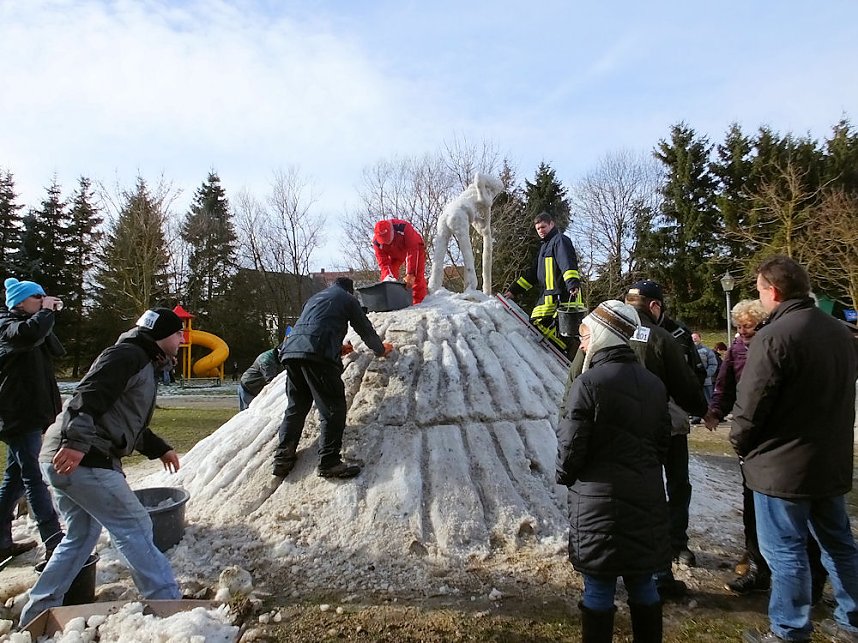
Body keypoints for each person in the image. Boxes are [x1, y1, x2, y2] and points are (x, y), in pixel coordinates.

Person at [19, 308, 186, 625]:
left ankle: (38, 611)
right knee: (134, 525)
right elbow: (88, 395)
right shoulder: (128, 355)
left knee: (81, 535)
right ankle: (169, 605)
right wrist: (76, 443)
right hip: (82, 456)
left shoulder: (140, 360)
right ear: (161, 334)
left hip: (64, 454)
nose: (182, 338)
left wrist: (160, 448)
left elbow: (123, 421)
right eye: (178, 332)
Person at [732, 256, 858, 643]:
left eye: (758, 290)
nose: (759, 297)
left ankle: (788, 629)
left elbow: (752, 404)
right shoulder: (840, 333)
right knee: (839, 544)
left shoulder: (775, 336)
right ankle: (852, 619)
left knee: (785, 552)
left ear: (773, 291)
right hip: (830, 460)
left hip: (781, 468)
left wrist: (740, 440)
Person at [556, 300, 671, 642]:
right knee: (643, 582)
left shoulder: (588, 384)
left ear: (604, 335)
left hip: (597, 504)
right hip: (645, 496)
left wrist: (565, 475)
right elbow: (662, 443)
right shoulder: (653, 384)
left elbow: (571, 446)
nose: (583, 344)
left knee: (598, 588)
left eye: (587, 336)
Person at [624, 279, 708, 598]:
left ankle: (671, 546)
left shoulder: (674, 334)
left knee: (668, 486)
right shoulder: (647, 334)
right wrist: (704, 409)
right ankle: (660, 560)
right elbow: (691, 386)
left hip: (649, 425)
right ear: (655, 306)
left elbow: (694, 375)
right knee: (661, 487)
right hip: (655, 423)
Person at [272, 277, 393, 479]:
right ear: (350, 290)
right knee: (333, 407)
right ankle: (329, 462)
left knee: (296, 407)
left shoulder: (314, 299)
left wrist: (336, 348)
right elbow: (364, 328)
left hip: (291, 353)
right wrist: (380, 350)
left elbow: (312, 328)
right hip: (318, 356)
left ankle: (282, 459)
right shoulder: (347, 299)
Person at [0, 278, 64, 562]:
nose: (42, 299)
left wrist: (45, 316)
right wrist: (45, 314)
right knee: (35, 477)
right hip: (16, 415)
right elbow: (24, 335)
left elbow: (55, 349)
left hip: (31, 414)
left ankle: (1, 541)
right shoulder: (6, 325)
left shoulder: (32, 325)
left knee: (14, 479)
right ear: (20, 301)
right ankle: (54, 542)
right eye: (37, 296)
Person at [504, 211, 582, 357]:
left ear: (552, 224)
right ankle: (565, 349)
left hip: (562, 296)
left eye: (543, 227)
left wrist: (572, 284)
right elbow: (532, 275)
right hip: (549, 296)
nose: (541, 231)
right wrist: (513, 290)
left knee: (539, 323)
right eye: (538, 228)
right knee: (539, 324)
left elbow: (567, 263)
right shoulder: (544, 248)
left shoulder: (560, 240)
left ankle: (569, 349)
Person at [373, 219, 427, 305]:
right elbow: (383, 263)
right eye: (383, 240)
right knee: (388, 278)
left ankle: (419, 302)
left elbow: (413, 250)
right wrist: (388, 277)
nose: (385, 242)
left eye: (387, 238)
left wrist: (410, 274)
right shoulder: (377, 243)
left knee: (416, 276)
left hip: (415, 247)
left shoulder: (404, 227)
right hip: (394, 253)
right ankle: (391, 302)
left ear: (392, 231)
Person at [691, 332, 718, 403]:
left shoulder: (707, 351)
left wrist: (705, 374)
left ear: (700, 338)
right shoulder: (687, 352)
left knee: (708, 403)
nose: (694, 339)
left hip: (706, 383)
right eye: (693, 338)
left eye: (696, 338)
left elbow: (713, 364)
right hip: (692, 383)